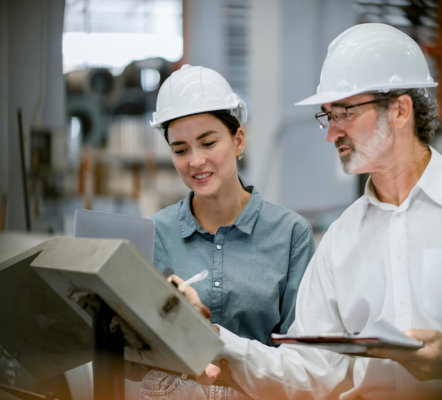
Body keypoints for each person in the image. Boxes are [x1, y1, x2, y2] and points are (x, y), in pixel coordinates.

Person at [179, 24, 442, 399]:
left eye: (345, 112)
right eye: (328, 116)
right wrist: (211, 337)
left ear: (400, 110)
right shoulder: (341, 240)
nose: (331, 134)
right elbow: (309, 372)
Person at [137, 64, 315, 400]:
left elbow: (305, 364)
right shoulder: (154, 233)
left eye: (208, 143)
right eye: (180, 150)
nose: (195, 161)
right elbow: (132, 355)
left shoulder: (290, 235)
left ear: (238, 140)